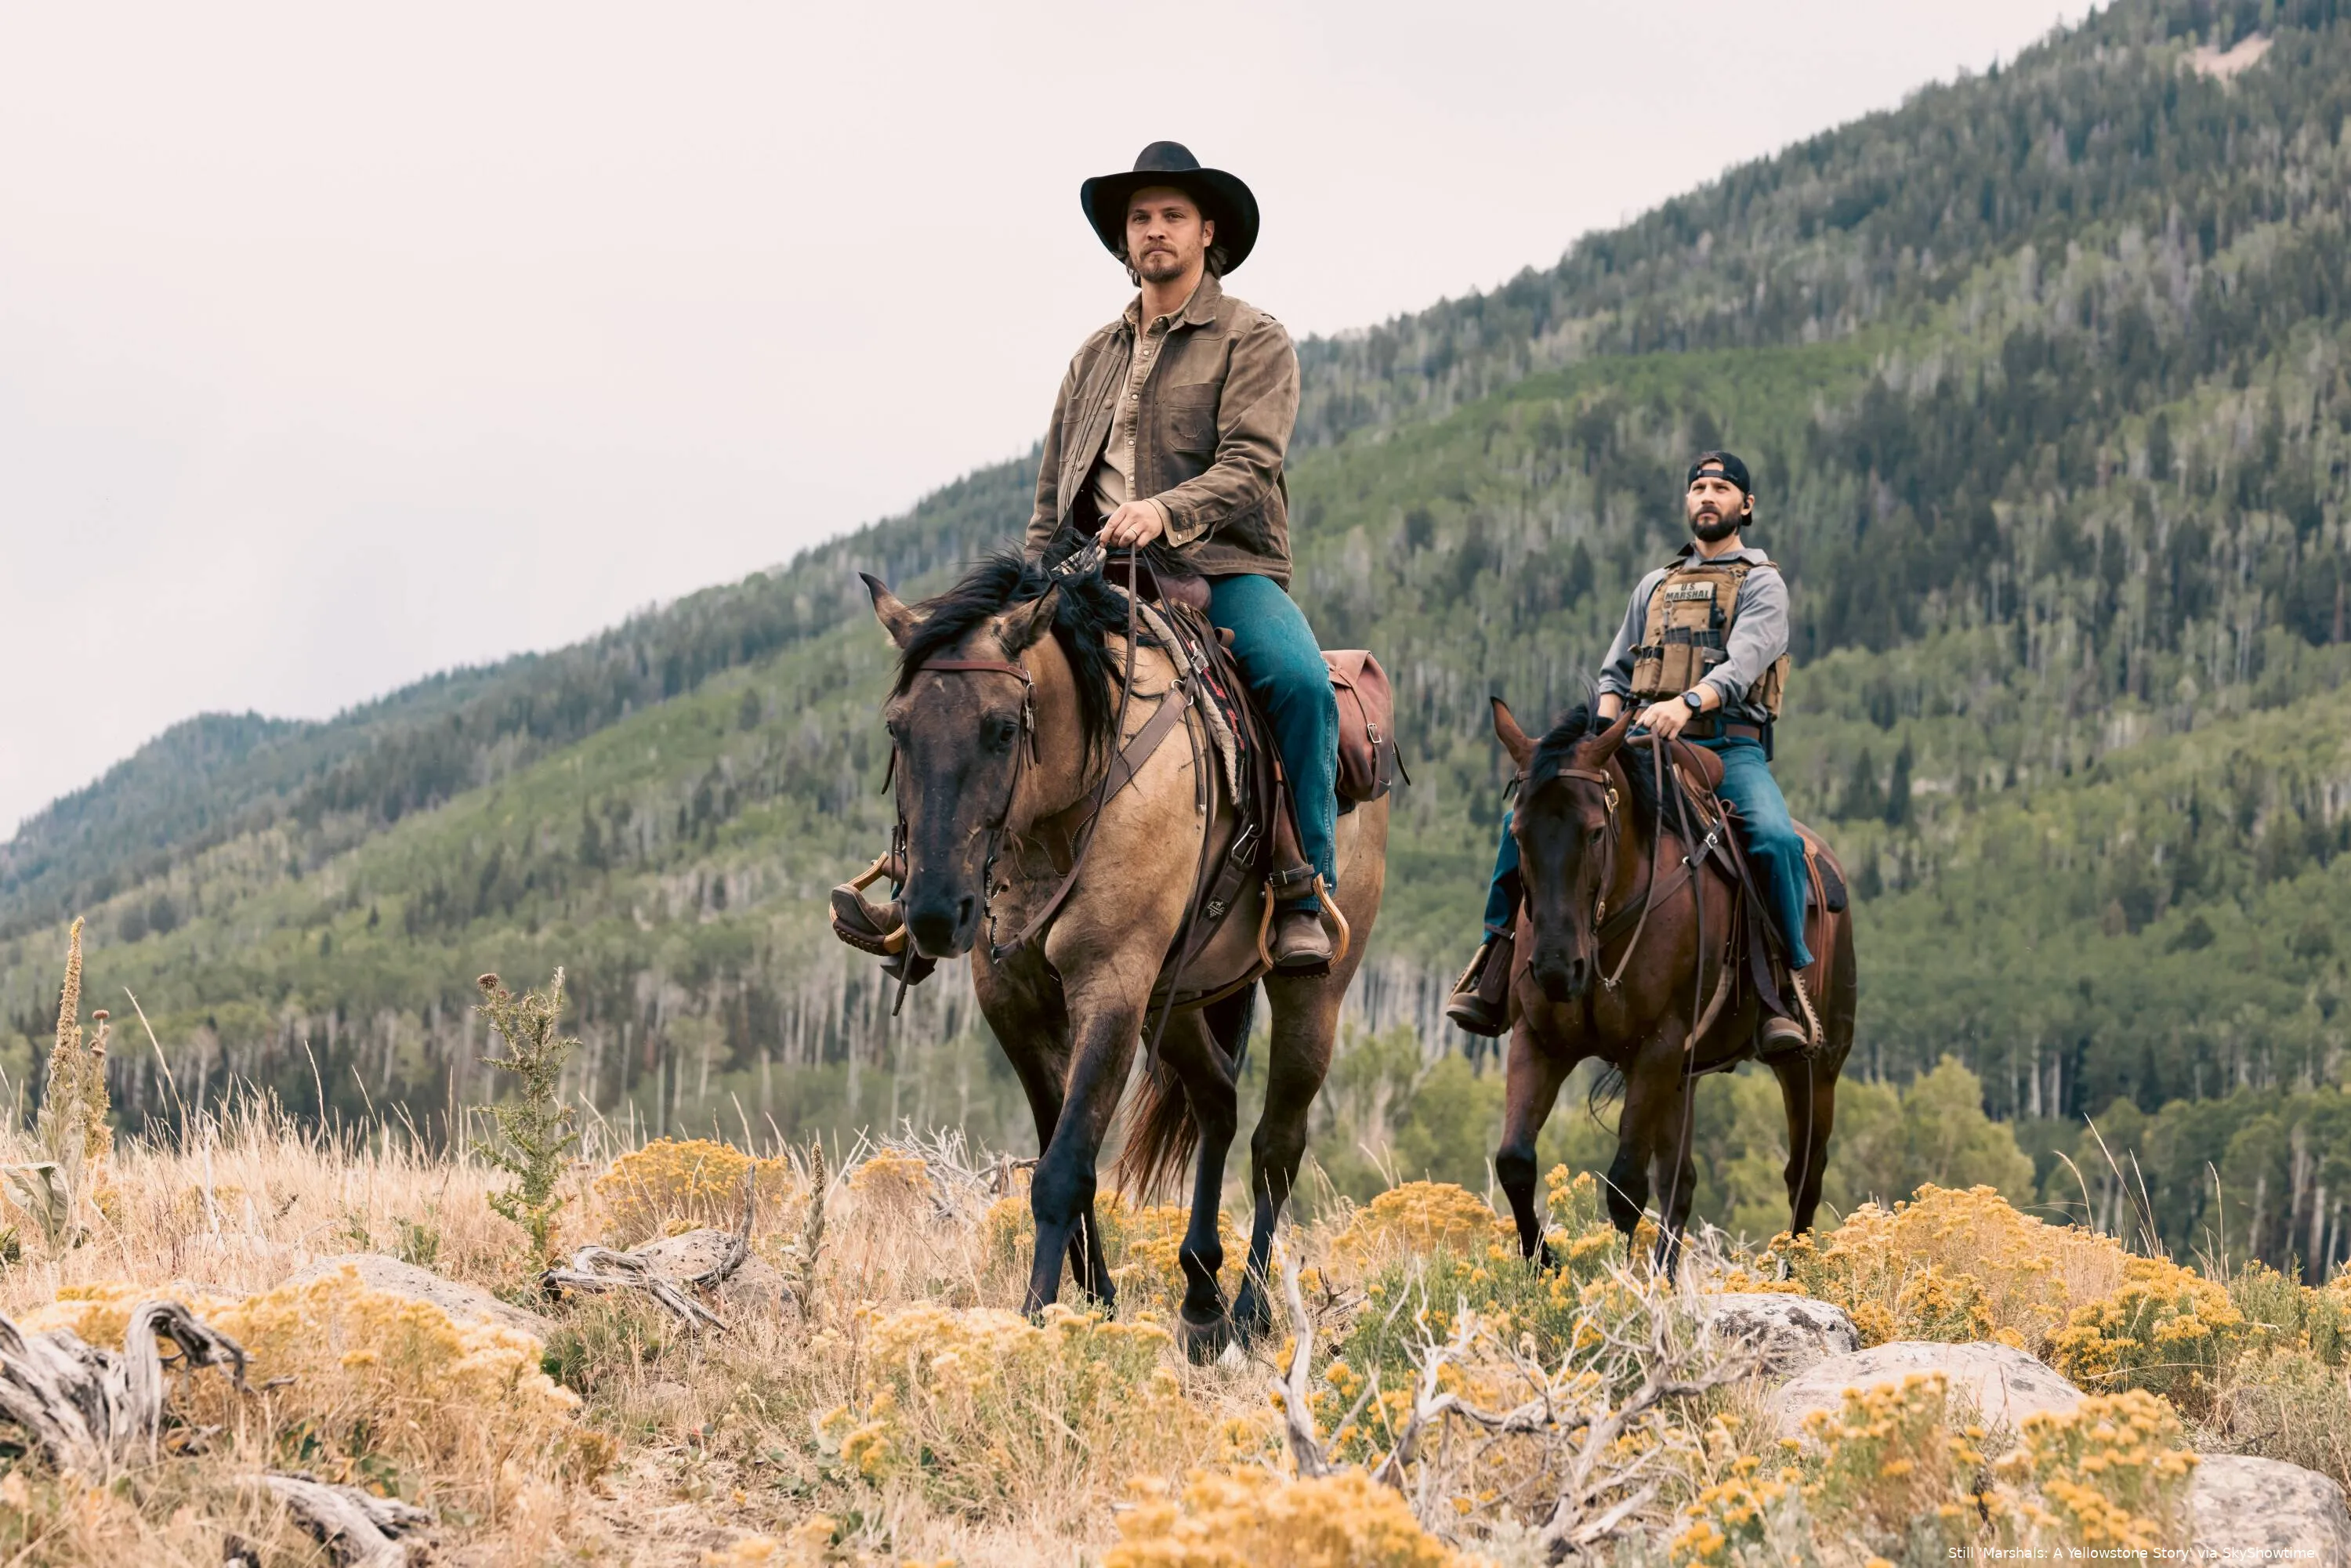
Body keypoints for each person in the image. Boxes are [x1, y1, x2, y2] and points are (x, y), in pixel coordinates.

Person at [1022, 141, 1341, 969]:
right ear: (1125, 242)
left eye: (1171, 216)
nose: (1154, 230)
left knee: (1302, 684)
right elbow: (1053, 493)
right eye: (1140, 219)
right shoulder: (1092, 358)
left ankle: (1304, 887)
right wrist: (1025, 589)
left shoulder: (1253, 338)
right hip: (1093, 573)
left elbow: (1250, 465)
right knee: (973, 682)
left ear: (1208, 233)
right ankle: (936, 887)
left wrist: (1162, 513)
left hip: (1222, 568)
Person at [1446, 451, 1819, 1054]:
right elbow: (1617, 670)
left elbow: (1748, 656)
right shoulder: (1655, 585)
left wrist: (1690, 701)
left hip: (1728, 744)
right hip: (1641, 743)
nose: (1707, 495)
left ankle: (1784, 986)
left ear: (1744, 506)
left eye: (1721, 488)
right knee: (1535, 816)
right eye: (1698, 486)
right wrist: (1596, 737)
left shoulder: (1762, 582)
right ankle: (1495, 958)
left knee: (1774, 838)